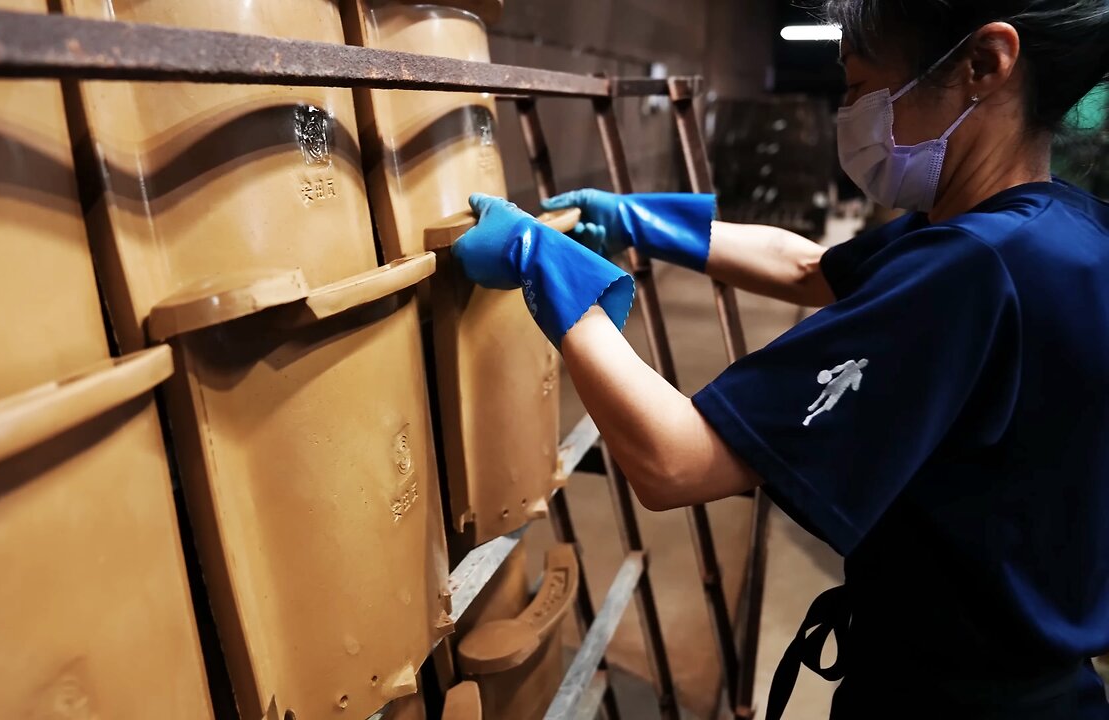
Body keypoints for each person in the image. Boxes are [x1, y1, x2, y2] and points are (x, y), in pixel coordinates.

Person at [452, 0, 1109, 717]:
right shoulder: (1059, 230)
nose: (850, 114)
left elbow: (676, 460)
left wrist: (540, 264)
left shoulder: (968, 269)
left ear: (985, 64)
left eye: (862, 87)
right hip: (1052, 684)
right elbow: (808, 268)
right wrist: (643, 220)